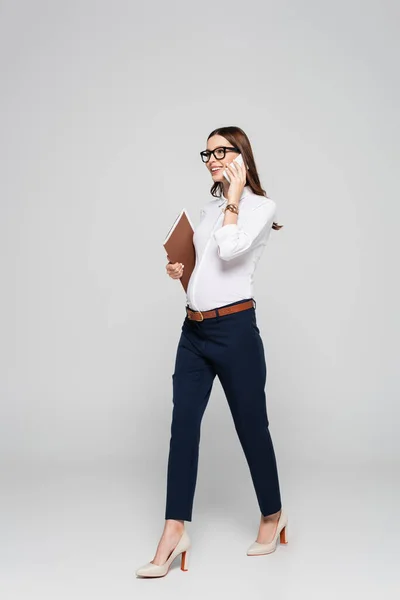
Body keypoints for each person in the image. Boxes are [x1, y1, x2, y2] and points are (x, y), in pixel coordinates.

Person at [135, 126, 288, 578]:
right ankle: (173, 530)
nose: (213, 158)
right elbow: (209, 267)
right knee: (182, 428)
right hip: (194, 332)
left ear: (242, 155)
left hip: (236, 332)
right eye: (208, 152)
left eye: (223, 150)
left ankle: (273, 514)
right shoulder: (211, 209)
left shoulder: (260, 207)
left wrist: (237, 196)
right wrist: (181, 269)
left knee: (251, 428)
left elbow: (230, 246)